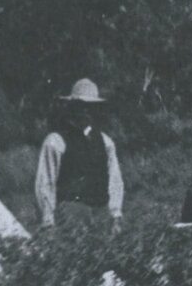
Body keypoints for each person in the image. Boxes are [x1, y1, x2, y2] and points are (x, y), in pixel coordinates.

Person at [34, 78, 125, 233]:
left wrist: (115, 216)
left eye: (91, 107)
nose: (86, 111)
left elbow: (114, 181)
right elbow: (45, 183)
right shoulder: (55, 141)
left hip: (101, 215)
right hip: (70, 216)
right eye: (81, 106)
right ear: (72, 107)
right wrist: (48, 222)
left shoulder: (106, 142)